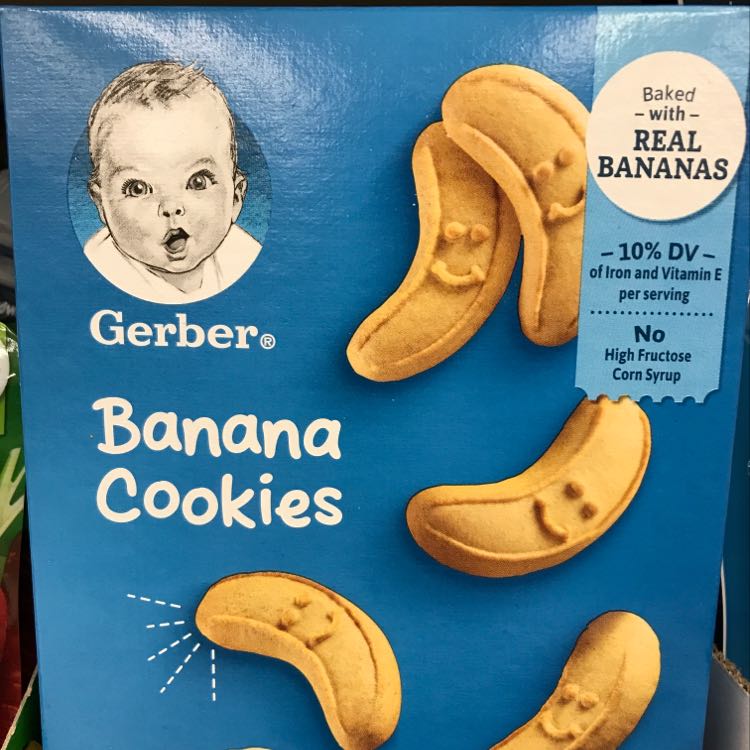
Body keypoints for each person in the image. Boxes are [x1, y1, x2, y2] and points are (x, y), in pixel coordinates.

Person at [84, 61, 261, 303]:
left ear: (236, 198)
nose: (171, 207)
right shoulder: (98, 272)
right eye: (138, 188)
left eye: (197, 182)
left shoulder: (244, 256)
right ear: (101, 203)